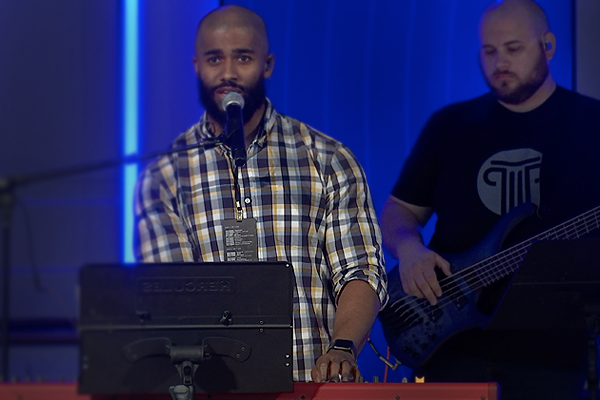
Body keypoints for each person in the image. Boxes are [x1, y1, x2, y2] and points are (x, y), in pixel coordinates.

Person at [134, 5, 387, 384]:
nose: (228, 73)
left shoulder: (328, 159)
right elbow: (173, 294)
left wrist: (342, 347)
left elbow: (361, 270)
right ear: (197, 66)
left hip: (315, 388)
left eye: (243, 58)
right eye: (214, 59)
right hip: (210, 390)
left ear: (267, 65)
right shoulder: (165, 176)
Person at [380, 0, 600, 398]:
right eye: (489, 50)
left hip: (551, 354)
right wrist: (409, 249)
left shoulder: (591, 123)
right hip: (450, 345)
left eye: (513, 49)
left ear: (548, 45)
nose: (500, 62)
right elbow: (400, 210)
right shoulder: (450, 125)